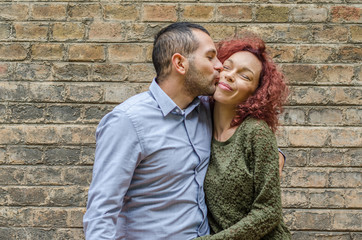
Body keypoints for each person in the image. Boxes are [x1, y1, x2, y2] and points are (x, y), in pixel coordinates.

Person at [83, 22, 224, 240]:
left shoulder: (207, 109)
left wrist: (273, 153)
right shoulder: (128, 120)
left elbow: (243, 122)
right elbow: (102, 210)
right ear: (180, 63)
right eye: (210, 57)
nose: (220, 65)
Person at [195, 37, 291, 239]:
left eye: (244, 76)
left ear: (256, 93)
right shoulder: (198, 122)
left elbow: (268, 212)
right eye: (227, 67)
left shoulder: (255, 132)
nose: (229, 76)